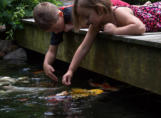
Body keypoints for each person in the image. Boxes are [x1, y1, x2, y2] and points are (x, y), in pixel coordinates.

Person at [62, 0, 161, 85]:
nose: (85, 22)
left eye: (87, 17)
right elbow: (84, 47)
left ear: (100, 10)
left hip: (157, 13)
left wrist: (115, 31)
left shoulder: (118, 12)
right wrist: (71, 70)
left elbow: (140, 27)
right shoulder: (96, 25)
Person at [33, 1, 132, 82]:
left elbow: (93, 21)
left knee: (130, 8)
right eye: (53, 31)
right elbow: (51, 50)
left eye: (56, 28)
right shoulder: (56, 23)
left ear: (60, 14)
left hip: (115, 4)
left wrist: (73, 26)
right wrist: (46, 64)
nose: (56, 32)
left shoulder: (73, 13)